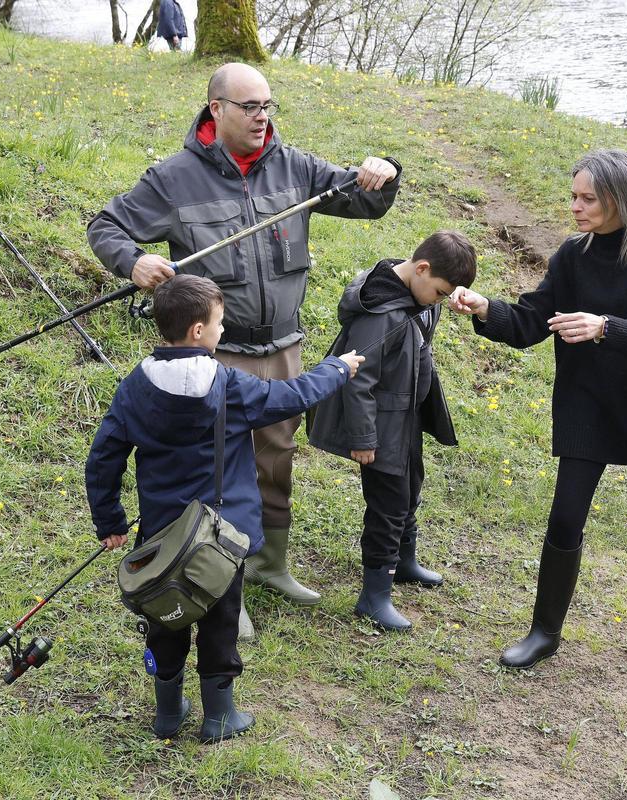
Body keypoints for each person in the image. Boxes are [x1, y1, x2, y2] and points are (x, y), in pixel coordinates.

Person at [87, 62, 400, 636]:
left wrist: (384, 172)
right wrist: (133, 262)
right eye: (249, 107)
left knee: (276, 454)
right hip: (216, 354)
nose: (262, 118)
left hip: (282, 342)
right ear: (216, 109)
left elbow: (364, 201)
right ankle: (215, 577)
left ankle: (269, 563)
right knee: (219, 468)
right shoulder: (173, 178)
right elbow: (105, 225)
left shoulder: (295, 165)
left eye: (268, 106)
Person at [450, 148, 627, 684]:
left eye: (587, 198)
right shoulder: (573, 255)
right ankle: (544, 632)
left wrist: (605, 327)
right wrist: (487, 309)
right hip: (589, 401)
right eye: (574, 195)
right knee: (566, 515)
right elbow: (531, 322)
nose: (575, 206)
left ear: (620, 198)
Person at [85, 274, 363, 742]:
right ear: (197, 331)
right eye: (218, 322)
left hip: (161, 534)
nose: (222, 328)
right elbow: (291, 396)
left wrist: (110, 520)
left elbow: (104, 456)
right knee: (219, 620)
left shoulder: (135, 386)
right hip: (222, 537)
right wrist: (336, 369)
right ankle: (219, 716)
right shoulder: (229, 384)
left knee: (165, 615)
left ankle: (168, 713)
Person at [308, 231, 476, 630]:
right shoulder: (383, 314)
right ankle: (374, 595)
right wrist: (364, 438)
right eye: (438, 292)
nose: (439, 299)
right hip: (380, 428)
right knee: (388, 505)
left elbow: (422, 325)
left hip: (406, 417)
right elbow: (357, 379)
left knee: (411, 486)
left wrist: (445, 299)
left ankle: (404, 561)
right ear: (421, 269)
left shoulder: (417, 294)